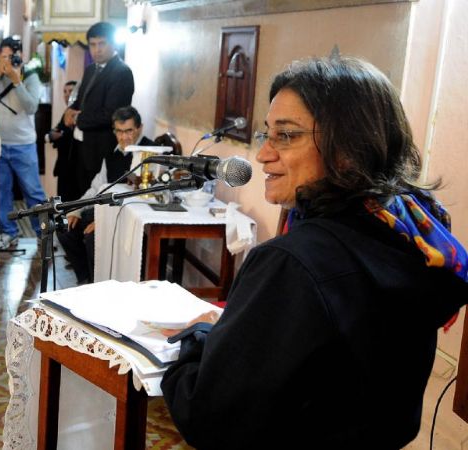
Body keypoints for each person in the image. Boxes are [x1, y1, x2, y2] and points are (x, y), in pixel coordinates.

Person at [160, 56, 468, 449]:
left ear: (348, 148)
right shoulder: (412, 236)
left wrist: (195, 346)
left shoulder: (293, 263)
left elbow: (211, 418)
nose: (263, 155)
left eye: (286, 136)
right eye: (266, 134)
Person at [57, 106, 153, 284]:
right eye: (119, 131)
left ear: (139, 128)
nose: (124, 137)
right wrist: (75, 209)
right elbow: (96, 189)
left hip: (129, 217)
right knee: (63, 226)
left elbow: (143, 198)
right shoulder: (111, 155)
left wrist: (104, 221)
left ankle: (99, 285)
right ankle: (85, 280)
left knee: (93, 236)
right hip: (103, 210)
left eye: (129, 131)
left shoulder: (151, 154)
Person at [0, 36, 46, 250]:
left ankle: (43, 234)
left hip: (24, 144)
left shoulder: (30, 76)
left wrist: (16, 81)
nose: (6, 61)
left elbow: (31, 107)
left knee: (33, 192)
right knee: (2, 191)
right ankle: (8, 232)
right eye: (2, 57)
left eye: (10, 57)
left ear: (20, 56)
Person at [64, 22, 134, 196]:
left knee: (94, 203)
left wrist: (78, 119)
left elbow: (111, 114)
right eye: (93, 45)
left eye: (102, 44)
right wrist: (69, 111)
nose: (97, 50)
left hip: (101, 150)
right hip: (82, 147)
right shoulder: (90, 70)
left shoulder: (121, 72)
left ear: (113, 43)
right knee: (78, 199)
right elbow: (81, 101)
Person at [49, 80, 83, 201]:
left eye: (71, 91)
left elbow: (69, 136)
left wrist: (60, 135)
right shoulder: (66, 112)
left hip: (76, 169)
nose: (67, 95)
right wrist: (53, 135)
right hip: (63, 168)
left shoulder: (81, 113)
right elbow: (55, 131)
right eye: (65, 92)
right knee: (62, 205)